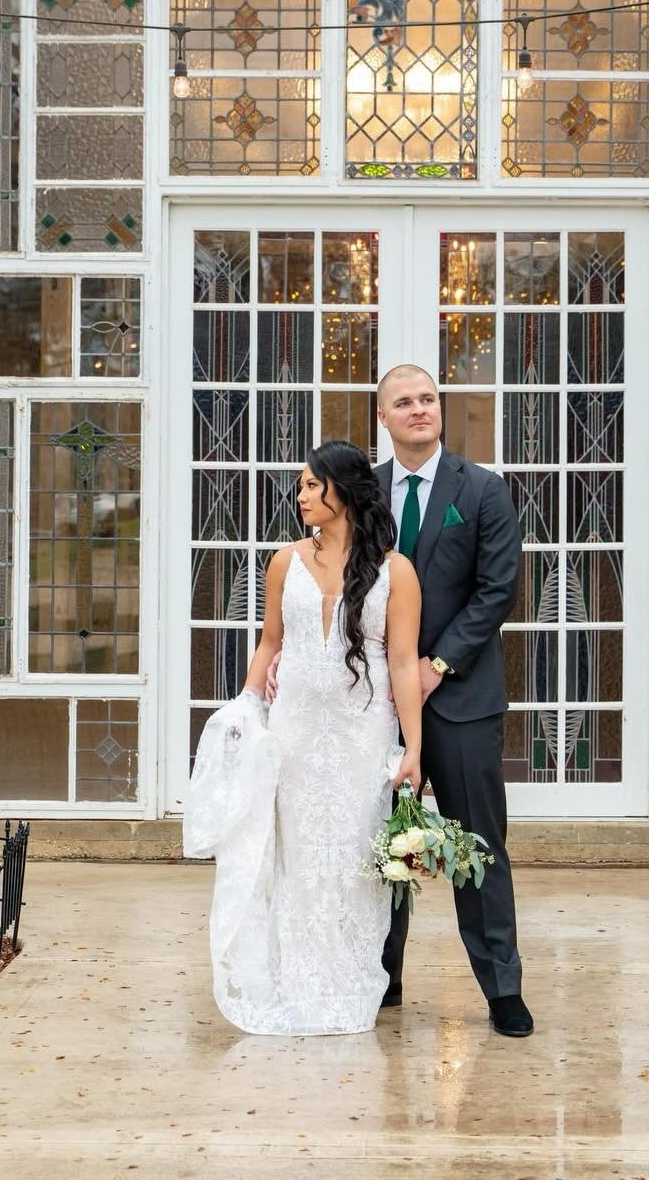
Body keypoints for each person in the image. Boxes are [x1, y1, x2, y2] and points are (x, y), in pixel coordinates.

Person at [269, 364, 533, 1039]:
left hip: (462, 699)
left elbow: (497, 589)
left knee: (477, 847)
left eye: (428, 399)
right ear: (383, 418)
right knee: (379, 845)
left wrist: (437, 664)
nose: (420, 410)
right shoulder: (361, 491)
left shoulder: (484, 490)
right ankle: (379, 975)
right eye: (404, 403)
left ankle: (502, 988)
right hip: (371, 710)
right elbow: (324, 575)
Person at [184, 440, 424, 1036]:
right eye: (300, 488)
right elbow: (270, 641)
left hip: (360, 735)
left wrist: (413, 749)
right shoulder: (283, 561)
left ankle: (347, 983)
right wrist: (246, 706)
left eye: (312, 486)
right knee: (293, 856)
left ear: (344, 490)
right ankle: (293, 982)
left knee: (350, 856)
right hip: (292, 731)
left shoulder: (397, 571)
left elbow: (401, 661)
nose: (301, 498)